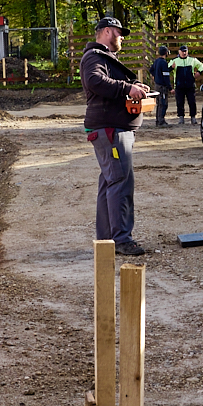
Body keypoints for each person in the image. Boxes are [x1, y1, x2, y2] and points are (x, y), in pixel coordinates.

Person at [81, 16, 150, 256]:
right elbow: (94, 81)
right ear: (107, 31)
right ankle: (121, 240)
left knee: (110, 182)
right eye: (120, 33)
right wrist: (127, 88)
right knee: (120, 183)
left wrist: (135, 86)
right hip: (110, 130)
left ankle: (107, 240)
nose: (122, 37)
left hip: (111, 129)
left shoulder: (104, 58)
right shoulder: (93, 57)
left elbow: (105, 82)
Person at [169, 45, 203, 125]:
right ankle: (181, 118)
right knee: (180, 102)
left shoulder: (192, 60)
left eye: (185, 51)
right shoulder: (175, 60)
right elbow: (167, 69)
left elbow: (201, 66)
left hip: (190, 85)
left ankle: (193, 117)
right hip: (179, 86)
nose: (184, 53)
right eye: (182, 51)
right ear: (179, 52)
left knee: (192, 102)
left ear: (187, 52)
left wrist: (199, 72)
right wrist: (171, 67)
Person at [149, 45, 172, 126]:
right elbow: (166, 76)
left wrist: (156, 76)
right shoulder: (164, 63)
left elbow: (151, 70)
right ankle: (161, 121)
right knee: (163, 104)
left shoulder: (157, 61)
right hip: (162, 86)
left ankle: (158, 121)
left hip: (157, 85)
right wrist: (170, 88)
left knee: (159, 103)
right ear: (166, 53)